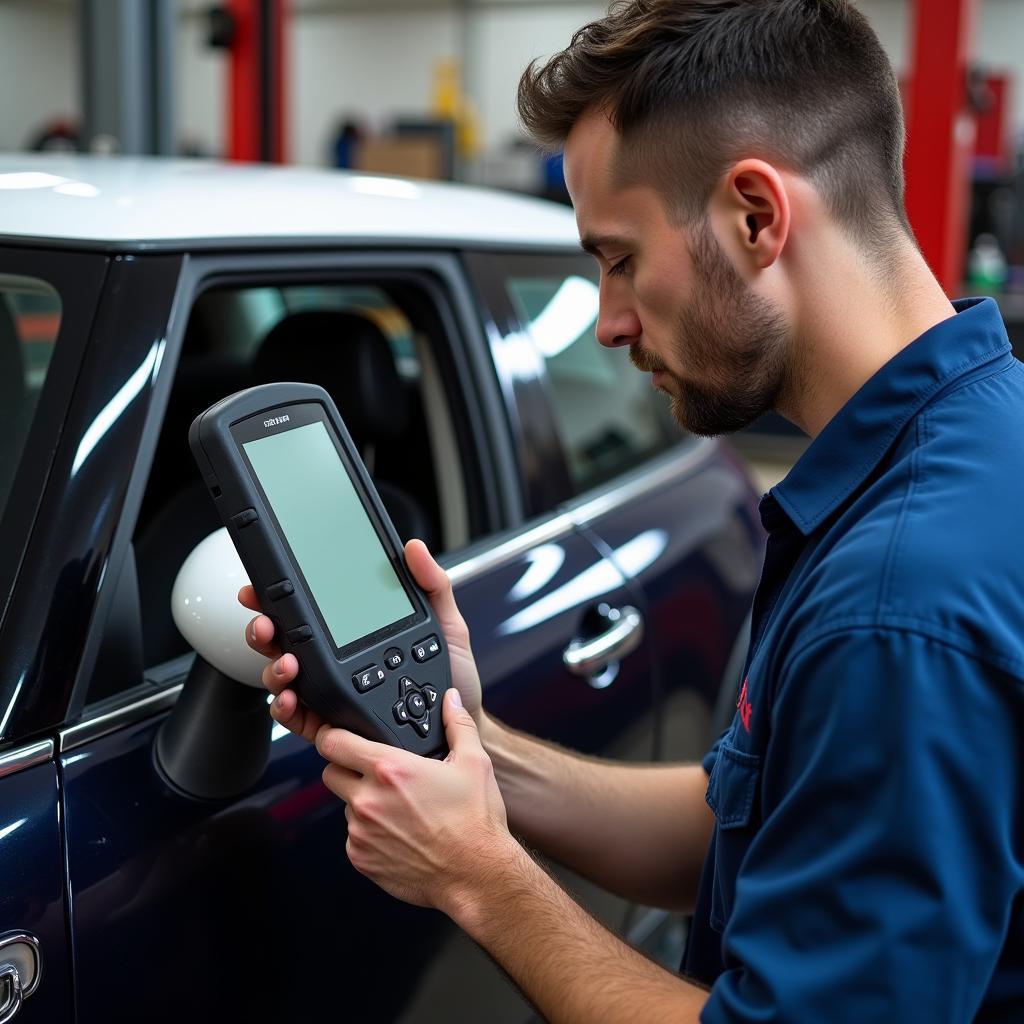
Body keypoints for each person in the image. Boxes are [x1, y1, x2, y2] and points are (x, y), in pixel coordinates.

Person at [243, 1, 1024, 1019]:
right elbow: (747, 816)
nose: (606, 322)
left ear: (756, 216)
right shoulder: (971, 438)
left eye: (618, 259)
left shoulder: (894, 602)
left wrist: (480, 876)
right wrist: (468, 740)